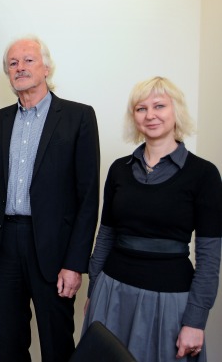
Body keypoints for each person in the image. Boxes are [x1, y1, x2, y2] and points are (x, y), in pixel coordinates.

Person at [0, 36, 101, 362]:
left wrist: (75, 264)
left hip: (54, 249)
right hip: (5, 248)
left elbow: (88, 198)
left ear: (46, 67)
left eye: (28, 60)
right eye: (13, 63)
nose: (20, 68)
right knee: (9, 342)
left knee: (57, 342)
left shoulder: (78, 117)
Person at [84, 76, 221, 362]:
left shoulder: (204, 174)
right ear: (133, 117)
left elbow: (209, 257)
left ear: (176, 112)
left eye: (159, 105)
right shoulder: (118, 170)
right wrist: (94, 291)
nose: (150, 115)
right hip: (112, 293)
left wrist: (196, 320)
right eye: (141, 108)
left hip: (170, 300)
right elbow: (105, 235)